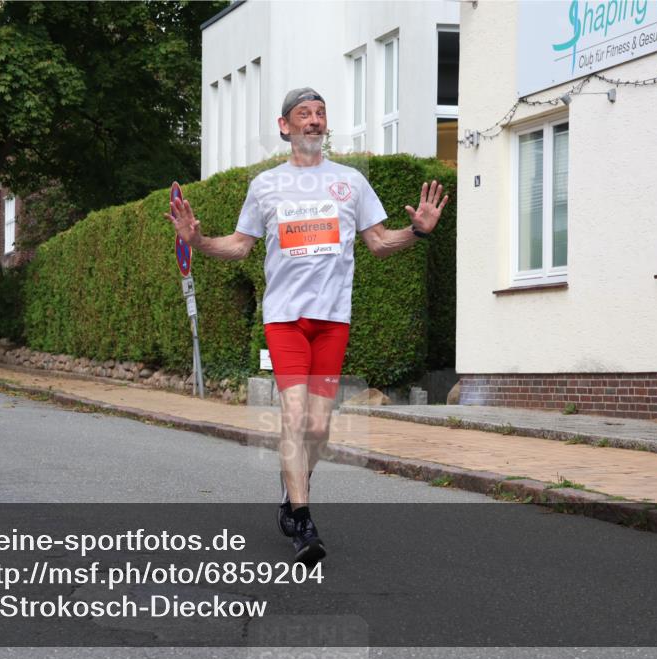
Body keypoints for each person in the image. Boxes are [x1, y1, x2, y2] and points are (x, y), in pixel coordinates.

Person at [165, 87, 448, 564]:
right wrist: (198, 241)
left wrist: (417, 231)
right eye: (303, 114)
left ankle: (290, 491)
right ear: (285, 127)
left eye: (320, 114)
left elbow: (378, 243)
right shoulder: (266, 186)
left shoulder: (351, 182)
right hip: (285, 321)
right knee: (295, 418)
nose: (314, 121)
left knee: (318, 427)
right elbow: (239, 246)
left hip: (333, 320)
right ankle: (302, 520)